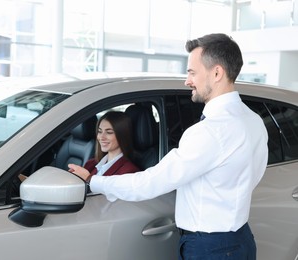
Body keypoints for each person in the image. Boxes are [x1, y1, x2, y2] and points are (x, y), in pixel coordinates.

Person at [69, 33, 268, 259]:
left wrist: (92, 181)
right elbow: (254, 175)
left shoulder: (209, 131)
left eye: (192, 72)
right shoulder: (253, 120)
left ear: (216, 73)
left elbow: (150, 183)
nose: (187, 81)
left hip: (210, 247)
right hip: (240, 240)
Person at [69, 111, 139, 180]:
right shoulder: (91, 163)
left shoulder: (129, 172)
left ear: (123, 135)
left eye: (109, 132)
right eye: (100, 131)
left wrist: (88, 178)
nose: (102, 137)